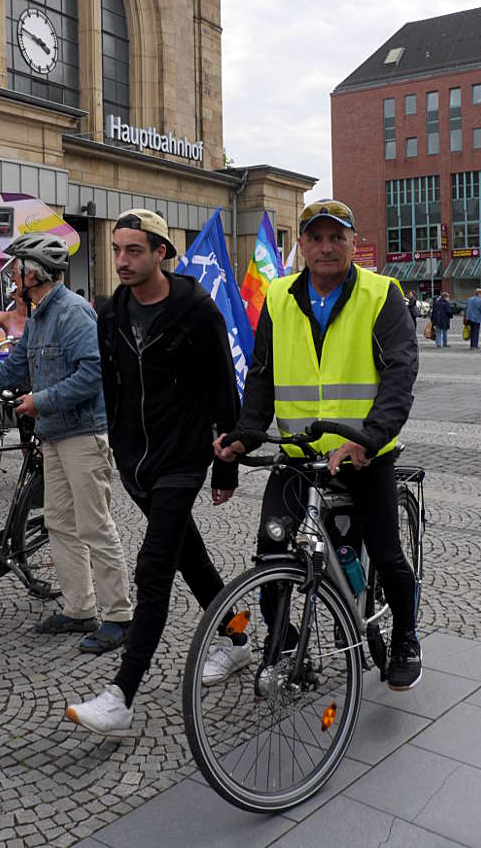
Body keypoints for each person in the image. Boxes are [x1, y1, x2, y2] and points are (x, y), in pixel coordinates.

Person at [214, 198, 421, 692]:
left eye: (337, 237)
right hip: (301, 456)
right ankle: (284, 643)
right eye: (316, 238)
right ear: (301, 245)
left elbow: (400, 372)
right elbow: (261, 377)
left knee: (388, 553)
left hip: (364, 453)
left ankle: (406, 638)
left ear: (353, 242)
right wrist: (244, 435)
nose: (326, 247)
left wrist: (369, 440)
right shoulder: (280, 296)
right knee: (270, 554)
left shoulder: (381, 294)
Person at [65, 209, 243, 737]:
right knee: (192, 558)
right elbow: (112, 384)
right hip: (136, 460)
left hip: (183, 457)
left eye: (134, 250)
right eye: (117, 249)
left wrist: (226, 464)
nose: (122, 259)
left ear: (161, 252)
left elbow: (221, 387)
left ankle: (122, 694)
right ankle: (238, 638)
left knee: (156, 565)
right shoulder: (112, 311)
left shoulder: (196, 309)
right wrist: (120, 445)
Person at [0, 233, 132, 646]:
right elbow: (10, 370)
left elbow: (92, 373)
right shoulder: (39, 316)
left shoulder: (73, 313)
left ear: (35, 273)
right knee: (59, 522)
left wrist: (40, 401)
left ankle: (120, 615)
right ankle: (80, 610)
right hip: (54, 435)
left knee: (95, 526)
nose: (10, 277)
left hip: (82, 435)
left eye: (16, 269)